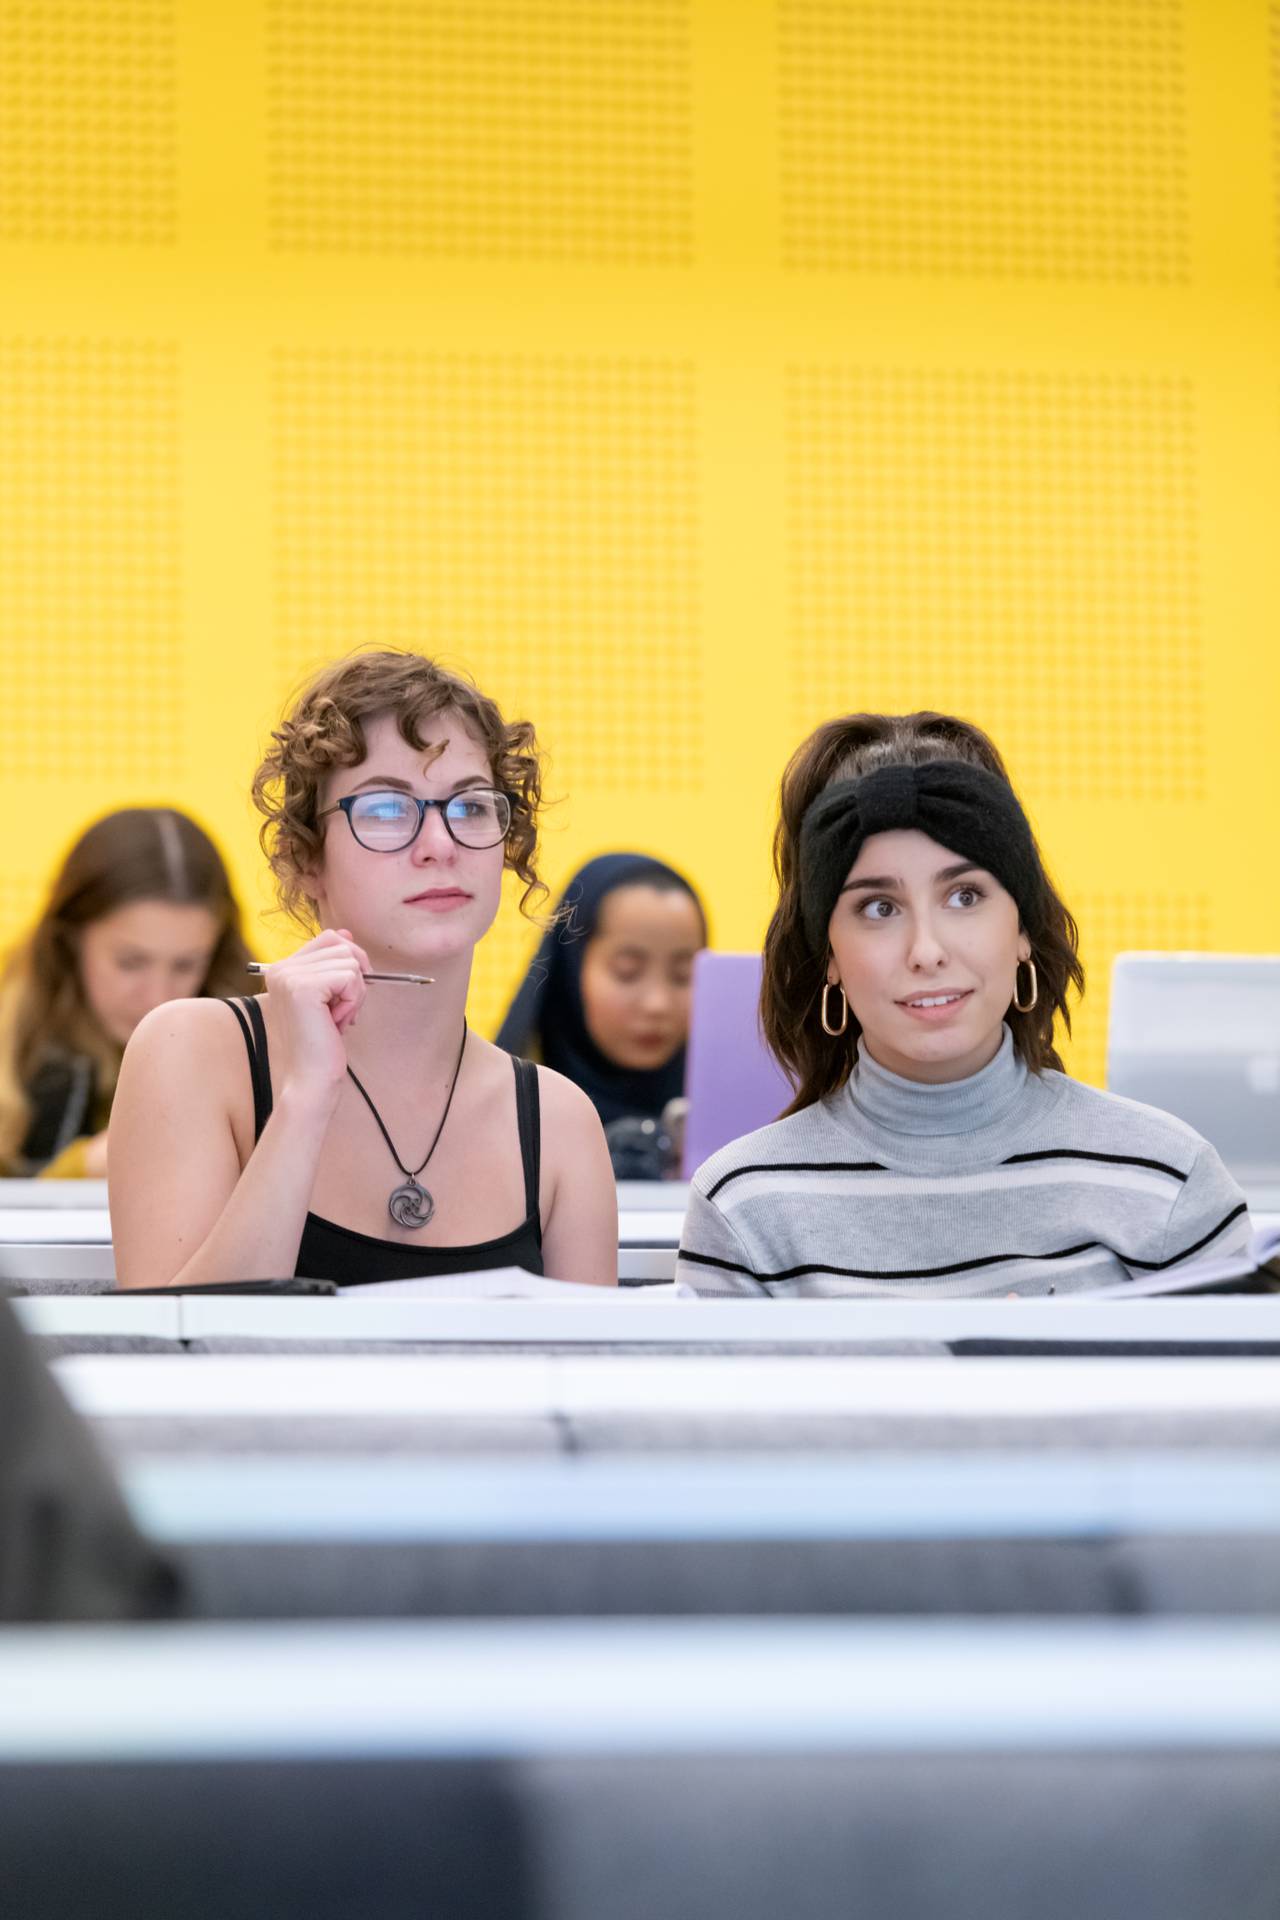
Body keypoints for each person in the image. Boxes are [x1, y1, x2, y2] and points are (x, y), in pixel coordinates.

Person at [676, 711, 1252, 1297]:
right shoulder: (743, 1209)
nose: (926, 951)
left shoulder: (1167, 1178)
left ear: (1023, 926)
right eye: (878, 908)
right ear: (829, 953)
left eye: (965, 895)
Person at [109, 650, 618, 1288]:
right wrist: (303, 1102)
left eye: (470, 807)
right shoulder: (190, 1051)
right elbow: (167, 1360)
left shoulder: (559, 1121)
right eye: (384, 810)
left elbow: (590, 1375)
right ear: (304, 859)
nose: (440, 845)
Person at [0, 809, 252, 1178]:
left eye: (186, 965)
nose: (158, 998)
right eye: (131, 962)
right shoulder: (10, 1023)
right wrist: (83, 1168)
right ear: (70, 940)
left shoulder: (256, 1023)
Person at [496, 853, 706, 1176]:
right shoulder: (502, 1124)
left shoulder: (735, 1132)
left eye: (683, 975)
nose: (657, 1003)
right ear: (570, 969)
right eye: (627, 972)